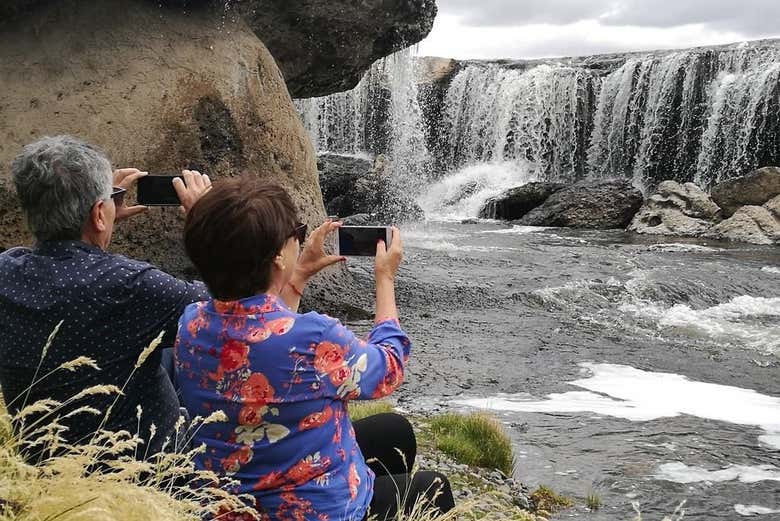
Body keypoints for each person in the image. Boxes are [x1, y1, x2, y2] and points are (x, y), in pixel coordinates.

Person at [175, 179, 454, 521]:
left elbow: (265, 337)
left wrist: (297, 277)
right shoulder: (313, 337)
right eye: (297, 232)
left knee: (393, 431)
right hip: (309, 511)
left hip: (228, 503)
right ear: (277, 257)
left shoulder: (192, 324)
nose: (300, 239)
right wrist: (385, 279)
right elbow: (389, 368)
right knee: (434, 487)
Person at [0, 135, 211, 455]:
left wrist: (97, 220)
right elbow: (225, 305)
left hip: (44, 461)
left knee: (163, 352)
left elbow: (65, 273)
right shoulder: (131, 286)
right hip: (143, 473)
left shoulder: (6, 271)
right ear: (99, 213)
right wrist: (205, 221)